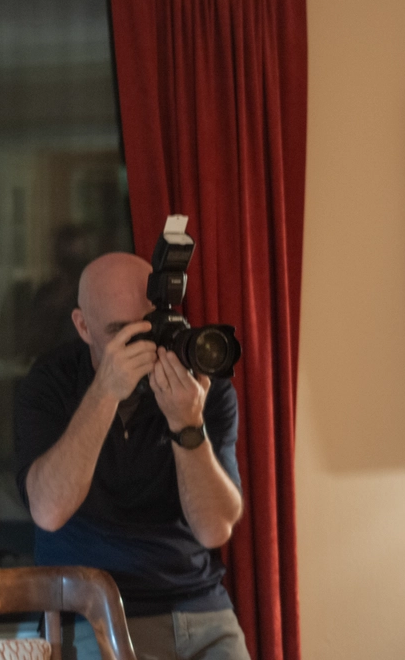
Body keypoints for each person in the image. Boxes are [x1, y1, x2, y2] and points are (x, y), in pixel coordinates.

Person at [14, 252, 249, 660]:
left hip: (200, 607)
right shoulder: (50, 384)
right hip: (94, 612)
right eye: (122, 333)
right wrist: (105, 392)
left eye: (149, 328)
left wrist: (186, 424)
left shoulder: (199, 384)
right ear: (83, 327)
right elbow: (48, 511)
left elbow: (215, 530)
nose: (142, 346)